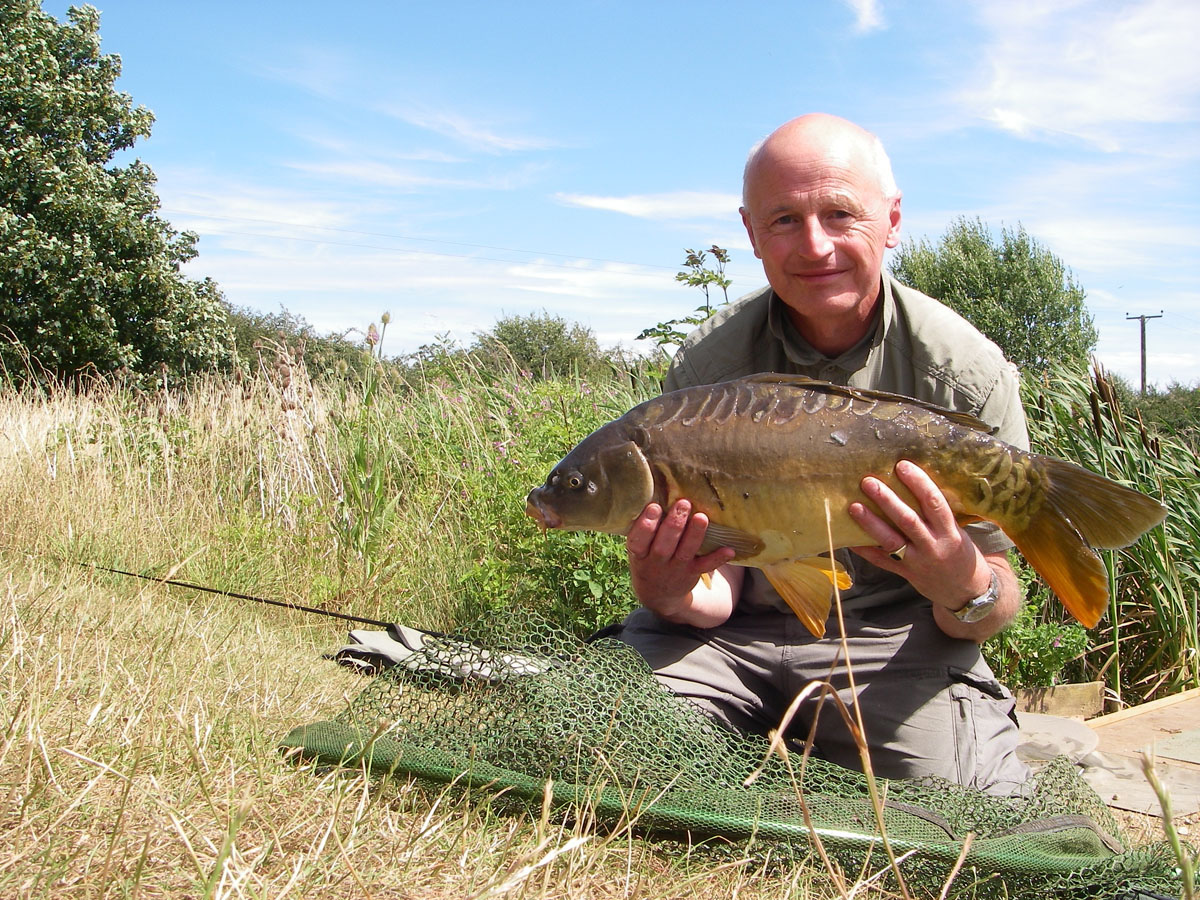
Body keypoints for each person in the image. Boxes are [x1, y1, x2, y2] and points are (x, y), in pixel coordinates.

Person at [614, 113, 1031, 795]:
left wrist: (963, 582)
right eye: (783, 220)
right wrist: (667, 589)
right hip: (727, 639)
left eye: (840, 213)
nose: (814, 245)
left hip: (893, 645)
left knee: (966, 808)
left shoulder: (965, 374)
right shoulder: (708, 368)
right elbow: (714, 596)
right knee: (603, 746)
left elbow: (993, 601)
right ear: (751, 233)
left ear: (892, 221)